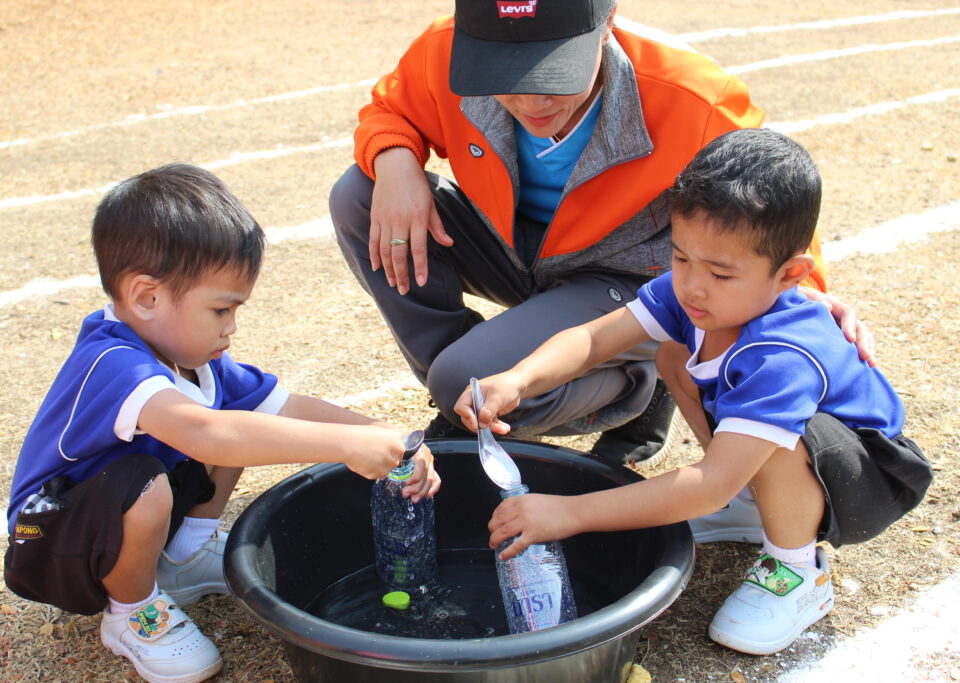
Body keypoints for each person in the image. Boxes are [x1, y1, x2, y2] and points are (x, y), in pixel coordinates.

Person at [330, 0, 867, 467]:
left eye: (553, 72)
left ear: (607, 23)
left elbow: (769, 203)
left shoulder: (693, 95)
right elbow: (390, 109)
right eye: (505, 71)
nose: (532, 101)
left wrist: (805, 292)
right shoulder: (445, 46)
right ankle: (473, 405)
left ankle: (639, 386)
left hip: (623, 274)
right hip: (512, 246)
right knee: (358, 194)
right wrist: (396, 160)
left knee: (463, 377)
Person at [456, 129, 932, 655]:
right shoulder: (696, 296)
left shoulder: (782, 357)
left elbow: (706, 484)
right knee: (673, 354)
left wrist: (571, 512)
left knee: (776, 437)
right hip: (803, 457)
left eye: (721, 273)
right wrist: (518, 379)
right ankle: (752, 502)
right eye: (681, 257)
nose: (691, 285)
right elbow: (595, 339)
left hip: (868, 478)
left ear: (791, 275)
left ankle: (796, 571)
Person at [3, 164, 440, 683]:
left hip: (119, 511)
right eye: (219, 310)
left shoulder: (195, 360)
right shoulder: (114, 363)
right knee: (156, 478)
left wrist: (384, 433)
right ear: (146, 297)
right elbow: (206, 436)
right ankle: (133, 614)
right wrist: (346, 446)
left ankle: (184, 557)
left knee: (241, 414)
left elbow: (283, 407)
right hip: (52, 540)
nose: (231, 328)